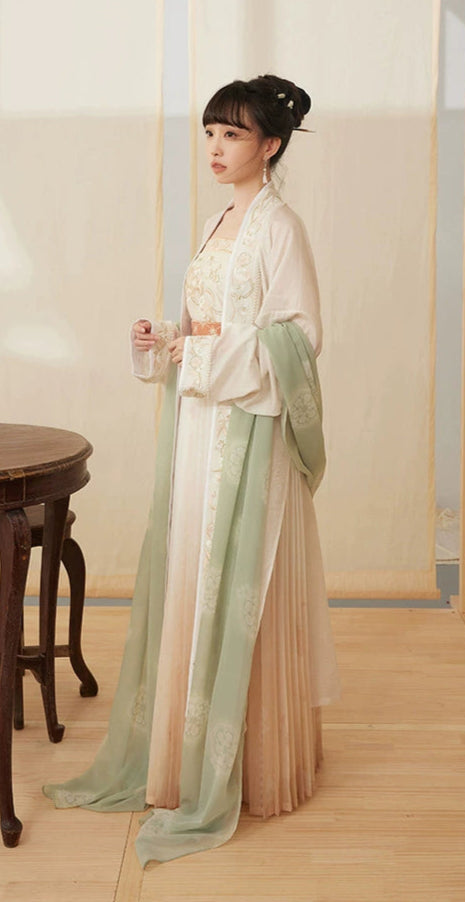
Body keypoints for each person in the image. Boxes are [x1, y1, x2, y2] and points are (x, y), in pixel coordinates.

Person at [44, 73, 340, 867]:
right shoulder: (218, 222)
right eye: (210, 132)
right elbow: (211, 324)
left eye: (232, 134)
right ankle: (181, 755)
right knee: (190, 575)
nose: (215, 147)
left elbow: (298, 336)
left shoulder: (279, 227)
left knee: (231, 581)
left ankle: (249, 767)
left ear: (269, 145)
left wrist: (199, 350)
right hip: (200, 422)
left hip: (248, 428)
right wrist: (166, 337)